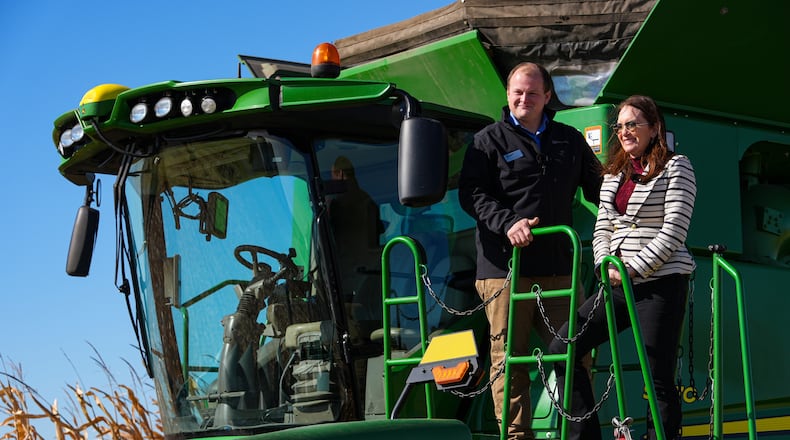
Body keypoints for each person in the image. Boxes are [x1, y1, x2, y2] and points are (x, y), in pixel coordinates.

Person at [458, 62, 603, 439]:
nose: (524, 99)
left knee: (575, 354)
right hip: (506, 271)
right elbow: (471, 195)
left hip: (559, 270)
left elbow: (599, 188)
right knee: (510, 362)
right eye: (517, 92)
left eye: (532, 93)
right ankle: (517, 436)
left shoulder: (569, 140)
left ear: (547, 97)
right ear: (508, 94)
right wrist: (509, 223)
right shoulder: (486, 141)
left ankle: (580, 434)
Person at [548, 95, 697, 440]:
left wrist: (631, 268)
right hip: (615, 284)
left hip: (660, 282)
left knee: (656, 374)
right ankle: (583, 435)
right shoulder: (615, 172)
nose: (625, 131)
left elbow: (674, 230)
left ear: (655, 128)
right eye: (620, 126)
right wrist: (605, 266)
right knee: (563, 348)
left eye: (633, 124)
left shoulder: (678, 167)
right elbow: (602, 227)